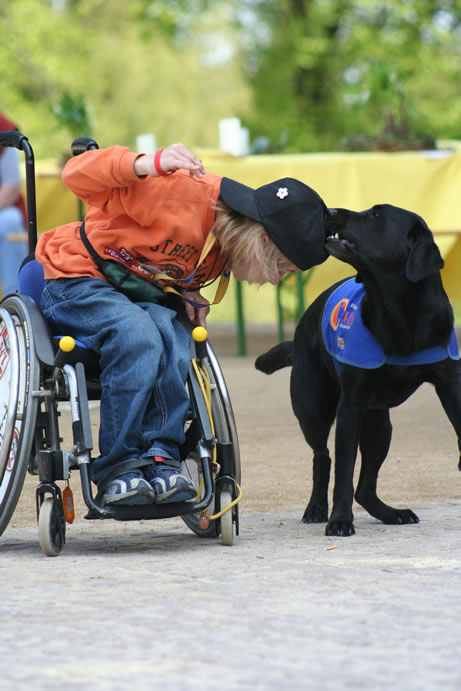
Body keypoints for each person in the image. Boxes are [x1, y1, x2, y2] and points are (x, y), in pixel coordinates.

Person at [36, 141, 328, 506]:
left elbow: (168, 255)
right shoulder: (177, 192)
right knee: (138, 336)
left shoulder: (225, 238)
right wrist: (146, 163)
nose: (273, 280)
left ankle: (160, 457)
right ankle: (118, 465)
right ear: (263, 240)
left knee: (176, 341)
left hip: (138, 294)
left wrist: (187, 288)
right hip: (79, 278)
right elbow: (76, 174)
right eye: (281, 269)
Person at [0, 113, 28, 296]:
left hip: (2, 208)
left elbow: (11, 188)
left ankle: (15, 298)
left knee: (9, 221)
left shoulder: (3, 127)